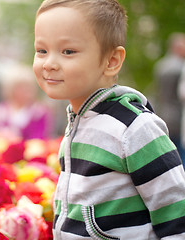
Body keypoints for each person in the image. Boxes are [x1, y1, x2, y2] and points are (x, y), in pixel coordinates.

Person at [33, 0, 185, 239]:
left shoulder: (134, 128)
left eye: (68, 51)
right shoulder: (80, 120)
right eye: (41, 50)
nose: (49, 63)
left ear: (111, 61)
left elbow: (176, 212)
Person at [0, 65, 54, 140]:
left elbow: (40, 139)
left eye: (28, 86)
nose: (26, 90)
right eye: (21, 87)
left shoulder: (39, 112)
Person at [154, 32, 185, 163]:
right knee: (180, 154)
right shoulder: (180, 68)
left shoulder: (160, 66)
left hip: (163, 113)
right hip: (177, 117)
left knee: (168, 153)